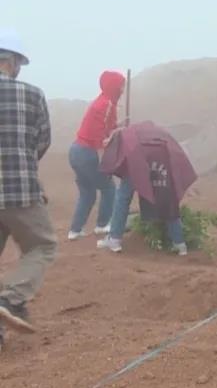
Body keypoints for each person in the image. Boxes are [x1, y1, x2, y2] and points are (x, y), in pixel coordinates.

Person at [0, 29, 56, 347]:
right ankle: (11, 300)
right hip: (19, 190)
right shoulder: (32, 94)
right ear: (12, 63)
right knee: (41, 246)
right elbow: (42, 141)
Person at [97, 121, 198, 256]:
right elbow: (176, 151)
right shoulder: (156, 131)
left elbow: (122, 159)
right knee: (168, 199)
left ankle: (114, 240)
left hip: (138, 161)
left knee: (123, 197)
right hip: (163, 160)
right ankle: (180, 245)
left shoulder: (125, 136)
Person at [68, 70, 125, 240]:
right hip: (87, 153)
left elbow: (105, 126)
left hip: (76, 151)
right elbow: (100, 138)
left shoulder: (101, 102)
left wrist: (118, 126)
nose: (122, 90)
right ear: (114, 87)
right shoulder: (106, 104)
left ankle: (75, 231)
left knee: (87, 193)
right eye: (121, 86)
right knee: (109, 188)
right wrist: (117, 133)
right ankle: (102, 225)